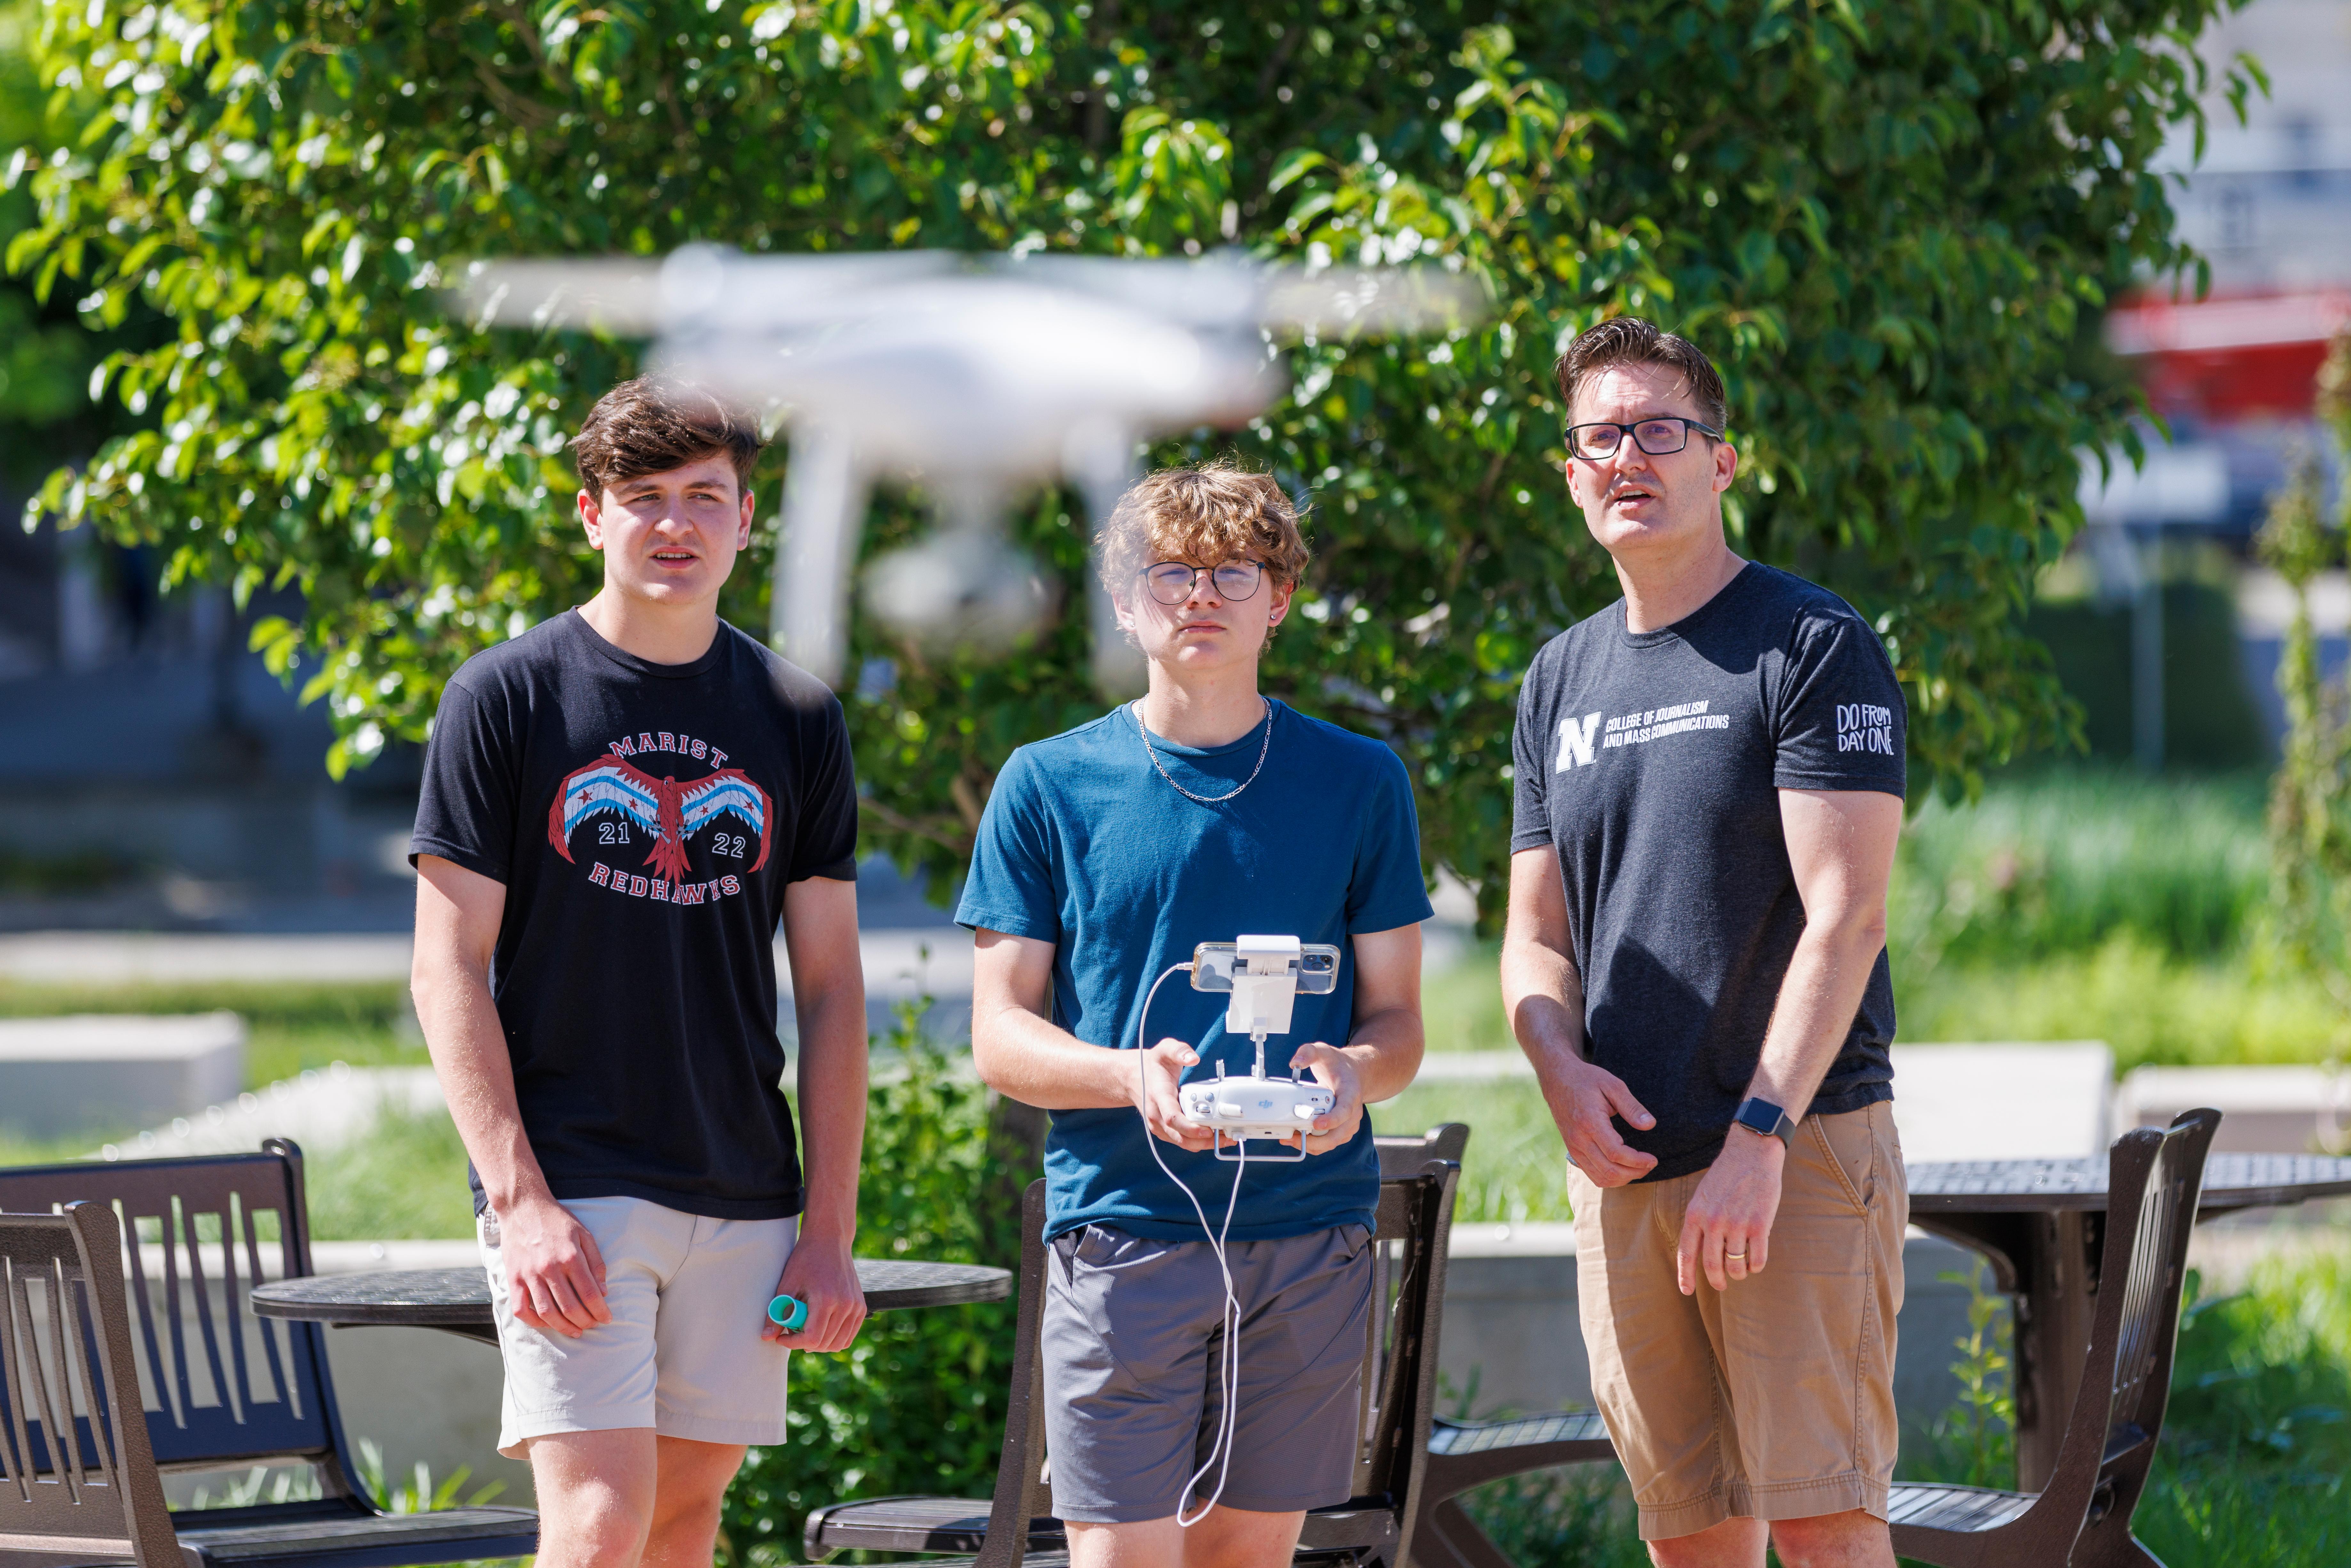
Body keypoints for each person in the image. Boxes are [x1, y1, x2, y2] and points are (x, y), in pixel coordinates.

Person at [408, 377, 870, 1568]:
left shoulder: (797, 713)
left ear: (747, 521)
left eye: (705, 497)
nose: (676, 523)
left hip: (746, 1188)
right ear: (590, 515)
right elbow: (445, 967)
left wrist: (828, 1228)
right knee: (600, 1528)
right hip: (578, 1186)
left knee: (680, 1526)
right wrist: (519, 1204)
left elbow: (829, 991)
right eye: (646, 496)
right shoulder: (506, 696)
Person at [958, 462, 1432, 1568]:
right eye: (1169, 574)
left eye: (1235, 571)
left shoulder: (1360, 783)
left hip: (1308, 1229)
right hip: (1124, 1229)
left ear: (1281, 597)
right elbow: (1000, 1035)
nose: (1201, 596)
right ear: (1124, 605)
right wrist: (1129, 1074)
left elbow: (1401, 1022)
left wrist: (1352, 1078)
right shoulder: (1048, 784)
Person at [1501, 319, 1909, 1568]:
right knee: (1690, 1537)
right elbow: (1533, 937)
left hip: (1786, 1150)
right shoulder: (1555, 679)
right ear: (1570, 475)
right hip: (1627, 1171)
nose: (1629, 455)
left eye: (1659, 429)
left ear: (1720, 461)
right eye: (1599, 436)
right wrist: (1555, 1070)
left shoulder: (1807, 640)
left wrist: (1757, 1136)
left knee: (1823, 1522)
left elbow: (1846, 909)